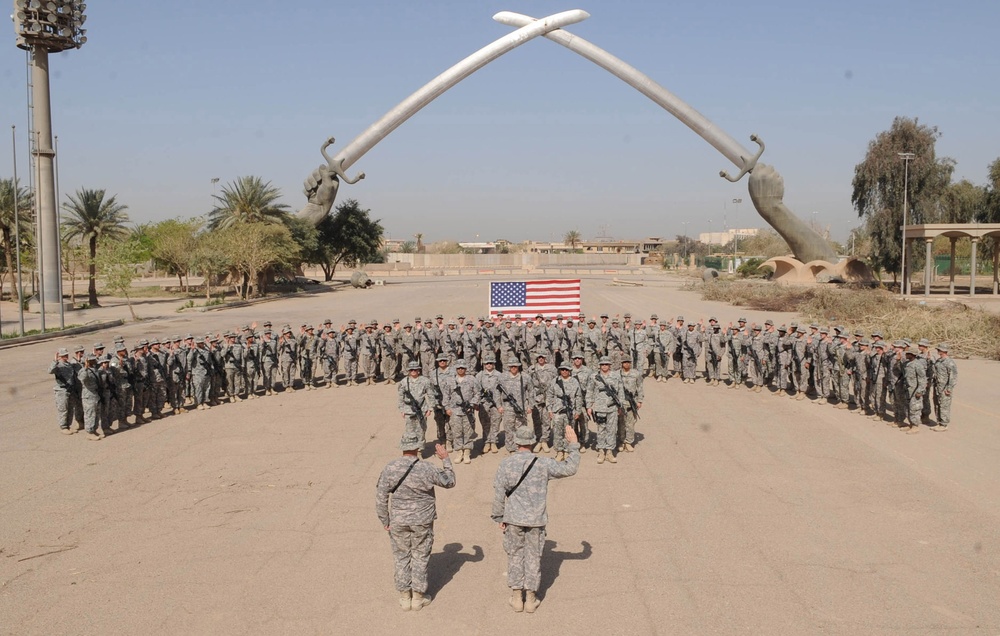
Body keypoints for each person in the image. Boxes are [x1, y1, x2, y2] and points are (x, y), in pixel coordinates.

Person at [491, 424, 580, 613]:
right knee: (533, 557)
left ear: (516, 442)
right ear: (532, 442)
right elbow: (570, 468)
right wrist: (573, 445)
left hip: (513, 519)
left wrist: (499, 516)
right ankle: (530, 599)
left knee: (515, 555)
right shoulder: (543, 464)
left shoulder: (506, 464)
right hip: (536, 521)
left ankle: (516, 597)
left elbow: (499, 492)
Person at [375, 432, 455, 612]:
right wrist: (446, 460)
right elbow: (450, 482)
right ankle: (418, 597)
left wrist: (384, 519)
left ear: (402, 447)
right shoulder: (427, 468)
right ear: (418, 447)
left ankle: (405, 597)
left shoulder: (390, 468)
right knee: (420, 555)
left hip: (398, 520)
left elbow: (381, 497)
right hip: (422, 520)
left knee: (401, 556)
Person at [49, 348, 76, 434]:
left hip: (70, 389)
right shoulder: (58, 366)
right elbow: (50, 371)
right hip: (62, 389)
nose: (66, 357)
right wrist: (54, 361)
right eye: (63, 355)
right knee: (63, 408)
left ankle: (68, 425)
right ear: (60, 356)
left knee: (70, 408)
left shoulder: (69, 365)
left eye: (66, 355)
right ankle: (63, 427)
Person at [932, 344, 957, 431]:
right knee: (937, 404)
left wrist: (949, 389)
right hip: (937, 386)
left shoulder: (950, 363)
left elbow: (953, 377)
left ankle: (944, 424)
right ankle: (939, 422)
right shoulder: (939, 361)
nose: (938, 351)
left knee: (944, 405)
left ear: (943, 351)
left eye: (939, 350)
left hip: (945, 388)